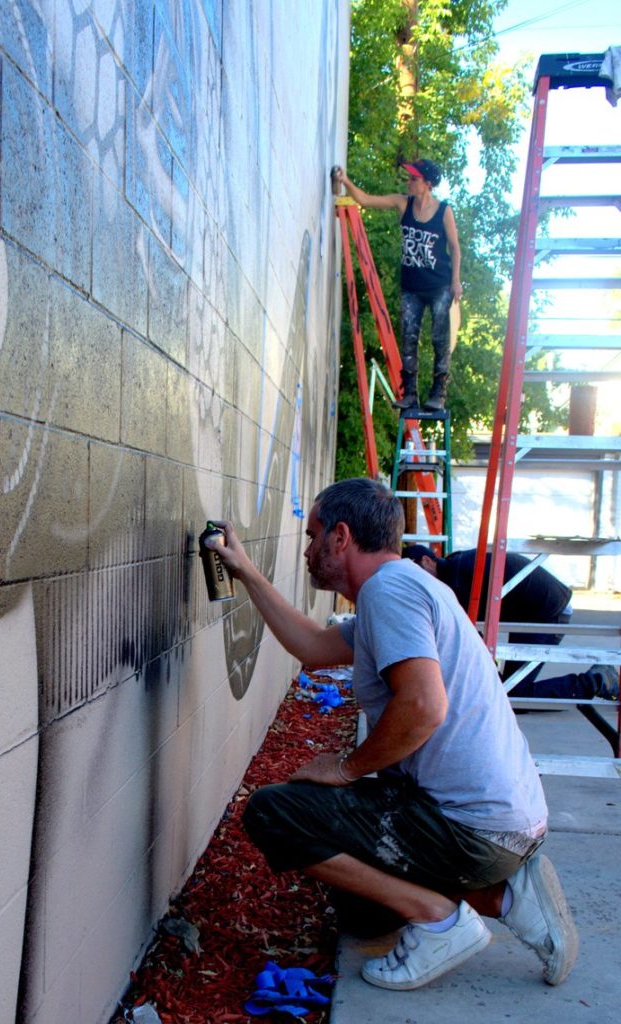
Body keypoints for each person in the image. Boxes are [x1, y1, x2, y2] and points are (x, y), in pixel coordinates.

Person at [206, 478, 578, 991]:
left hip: (472, 828)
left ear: (341, 536)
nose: (310, 551)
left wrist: (343, 767)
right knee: (364, 913)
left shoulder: (388, 592)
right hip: (499, 823)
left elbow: (424, 706)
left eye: (313, 537)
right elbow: (313, 646)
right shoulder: (406, 587)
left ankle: (441, 921)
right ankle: (506, 895)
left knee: (274, 813)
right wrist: (246, 572)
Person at [402, 544, 618, 701]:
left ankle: (597, 681)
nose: (417, 584)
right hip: (533, 610)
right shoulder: (456, 566)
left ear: (428, 560)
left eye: (416, 573)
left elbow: (469, 636)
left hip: (548, 612)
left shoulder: (457, 578)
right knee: (506, 689)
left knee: (513, 693)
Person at [335, 160, 461, 411]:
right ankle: (410, 393)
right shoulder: (403, 203)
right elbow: (366, 200)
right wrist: (345, 181)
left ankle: (438, 392)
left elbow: (455, 248)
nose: (408, 182)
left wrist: (455, 281)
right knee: (408, 337)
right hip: (412, 286)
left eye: (414, 179)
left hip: (438, 286)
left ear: (427, 184)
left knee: (439, 337)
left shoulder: (443, 211)